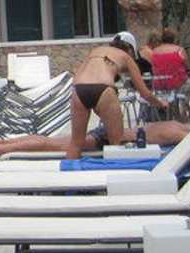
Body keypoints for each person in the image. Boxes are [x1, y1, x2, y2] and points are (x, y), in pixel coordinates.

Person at [64, 31, 167, 161]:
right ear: (130, 50)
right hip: (104, 89)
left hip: (79, 89)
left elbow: (77, 75)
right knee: (116, 143)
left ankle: (69, 171)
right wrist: (161, 103)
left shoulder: (95, 51)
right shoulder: (127, 57)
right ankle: (115, 171)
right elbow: (144, 93)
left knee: (76, 143)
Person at [0, 119, 190, 171]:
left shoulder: (178, 125)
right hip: (105, 140)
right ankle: (2, 148)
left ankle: (1, 143)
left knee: (51, 142)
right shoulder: (180, 133)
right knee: (50, 145)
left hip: (107, 135)